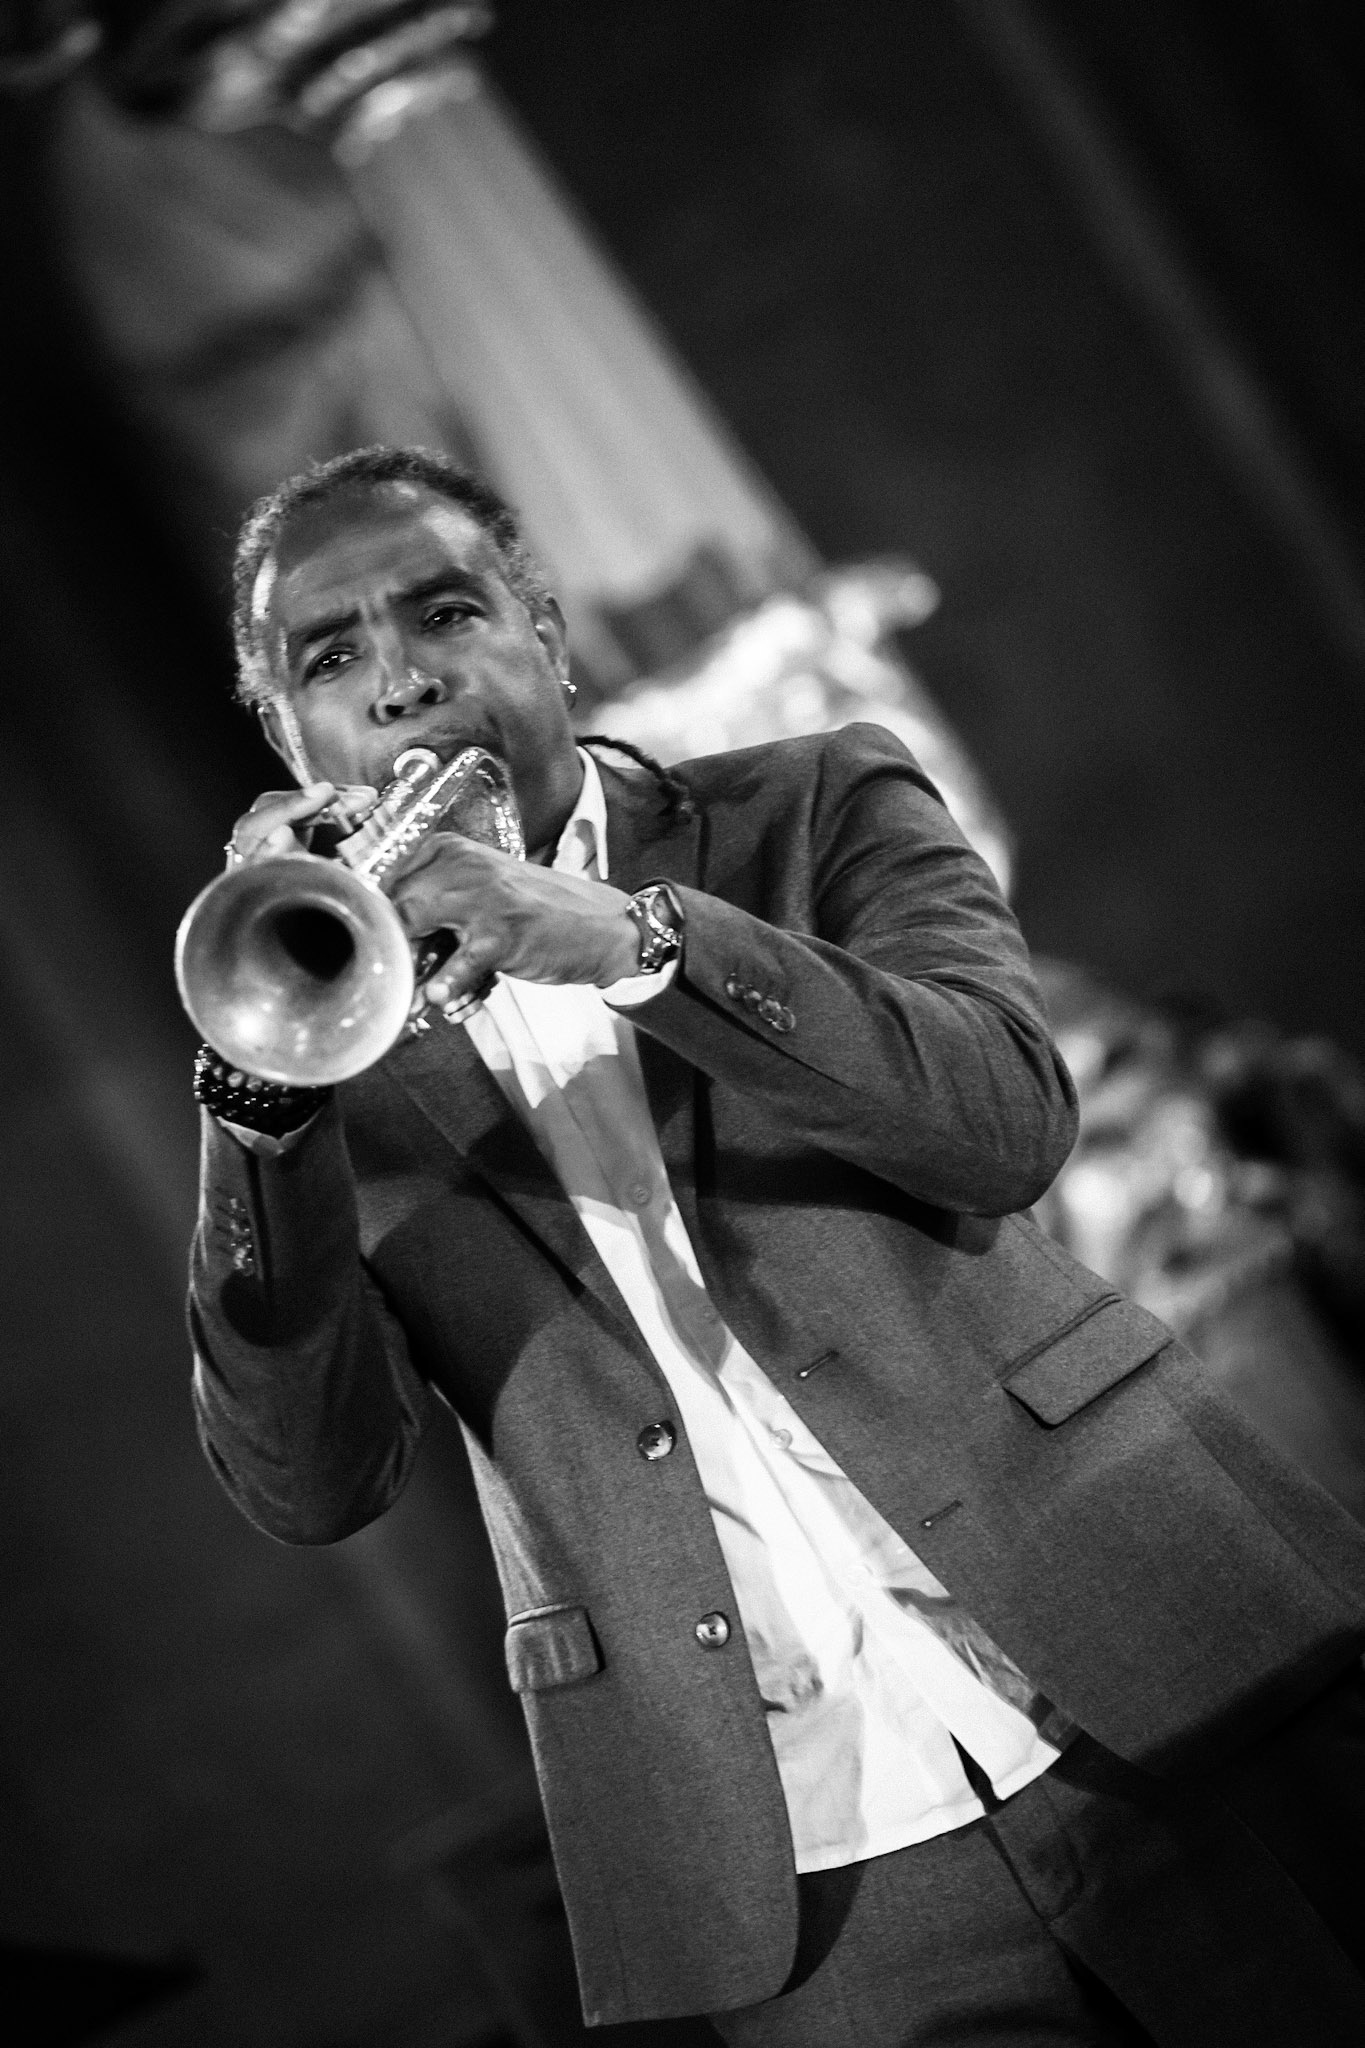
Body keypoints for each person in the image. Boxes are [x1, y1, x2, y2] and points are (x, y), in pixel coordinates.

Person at [189, 445, 1365, 2047]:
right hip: (809, 1881)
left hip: (1165, 1667)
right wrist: (257, 1120)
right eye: (329, 659)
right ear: (290, 741)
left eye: (444, 611)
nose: (396, 678)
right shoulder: (317, 1030)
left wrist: (625, 943)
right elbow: (311, 1483)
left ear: (545, 637)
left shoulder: (810, 808)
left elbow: (1002, 1124)